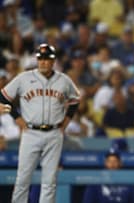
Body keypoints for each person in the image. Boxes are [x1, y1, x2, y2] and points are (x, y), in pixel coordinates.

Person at [0, 43, 80, 203]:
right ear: (37, 60)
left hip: (54, 133)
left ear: (53, 61)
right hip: (31, 132)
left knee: (49, 180)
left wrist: (66, 121)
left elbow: (75, 100)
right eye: (40, 58)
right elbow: (3, 97)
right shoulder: (24, 78)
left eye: (47, 59)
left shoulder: (63, 80)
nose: (43, 62)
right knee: (23, 178)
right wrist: (17, 118)